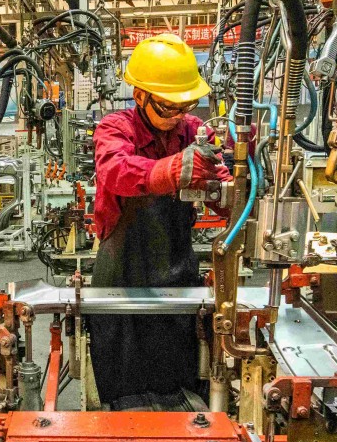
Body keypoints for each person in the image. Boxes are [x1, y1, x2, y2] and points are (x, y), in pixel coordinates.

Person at [88, 33, 230, 411]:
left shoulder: (194, 134)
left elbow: (225, 186)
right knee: (121, 354)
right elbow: (115, 171)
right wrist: (176, 170)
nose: (180, 115)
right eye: (169, 106)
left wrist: (231, 192)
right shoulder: (115, 128)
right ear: (140, 97)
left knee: (177, 351)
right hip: (122, 270)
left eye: (187, 105)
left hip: (175, 266)